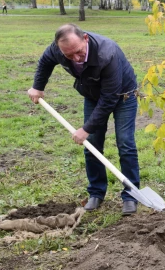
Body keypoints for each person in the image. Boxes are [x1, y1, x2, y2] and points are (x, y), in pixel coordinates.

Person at [27, 24, 141, 215]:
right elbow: (46, 61)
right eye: (69, 56)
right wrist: (38, 86)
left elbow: (109, 99)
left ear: (85, 38)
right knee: (92, 145)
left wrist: (85, 129)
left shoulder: (107, 53)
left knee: (125, 143)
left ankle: (131, 196)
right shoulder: (59, 49)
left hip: (123, 96)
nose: (76, 58)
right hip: (92, 94)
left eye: (79, 52)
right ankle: (96, 193)